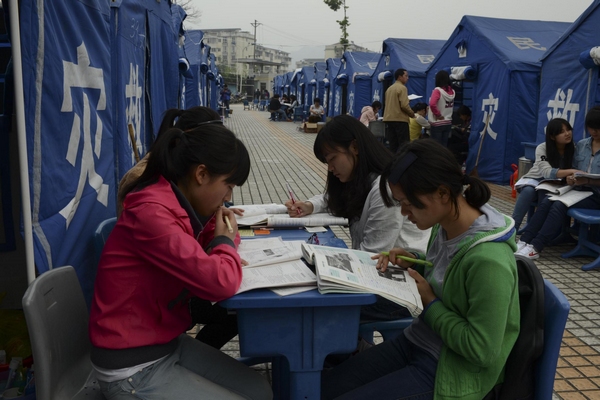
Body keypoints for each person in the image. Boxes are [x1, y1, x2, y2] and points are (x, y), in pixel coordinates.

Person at [321, 139, 520, 400]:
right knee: (322, 389)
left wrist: (430, 302)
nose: (404, 213)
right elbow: (449, 273)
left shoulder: (489, 261)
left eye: (409, 203)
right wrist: (415, 260)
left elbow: (482, 351)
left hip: (450, 369)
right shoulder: (445, 223)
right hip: (417, 340)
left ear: (443, 193)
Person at [90, 122, 272, 399]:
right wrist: (224, 243)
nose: (228, 197)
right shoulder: (153, 214)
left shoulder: (174, 204)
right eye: (228, 185)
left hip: (165, 343)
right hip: (131, 367)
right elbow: (219, 283)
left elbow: (216, 237)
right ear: (201, 174)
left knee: (260, 391)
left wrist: (222, 236)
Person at [285, 115, 430, 322]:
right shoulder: (361, 179)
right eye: (326, 162)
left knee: (317, 305)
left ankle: (350, 350)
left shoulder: (384, 189)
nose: (330, 168)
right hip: (378, 277)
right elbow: (331, 199)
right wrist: (309, 205)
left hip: (401, 288)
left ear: (354, 147)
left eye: (332, 158)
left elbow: (371, 256)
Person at [516, 107, 600, 259]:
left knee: (558, 205)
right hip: (579, 189)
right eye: (591, 128)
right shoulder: (582, 145)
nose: (595, 132)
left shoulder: (575, 145)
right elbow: (573, 169)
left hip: (596, 195)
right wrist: (571, 178)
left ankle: (536, 246)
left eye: (598, 128)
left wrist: (587, 179)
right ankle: (524, 240)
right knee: (548, 200)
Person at [511, 118, 579, 233]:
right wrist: (572, 170)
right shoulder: (542, 148)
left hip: (556, 185)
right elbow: (547, 172)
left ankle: (543, 232)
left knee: (547, 195)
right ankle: (513, 229)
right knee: (529, 191)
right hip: (534, 180)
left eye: (568, 129)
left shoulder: (574, 148)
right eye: (562, 132)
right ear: (552, 137)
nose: (567, 134)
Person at [383, 68, 415, 153]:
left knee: (393, 145)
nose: (407, 78)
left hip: (389, 119)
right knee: (403, 145)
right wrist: (412, 114)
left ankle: (393, 162)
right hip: (400, 119)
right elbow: (404, 105)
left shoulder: (389, 89)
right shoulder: (402, 88)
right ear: (400, 77)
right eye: (406, 76)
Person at [428, 70, 455, 147]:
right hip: (448, 122)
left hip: (437, 122)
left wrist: (438, 114)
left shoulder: (438, 90)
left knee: (436, 147)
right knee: (444, 146)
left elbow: (432, 104)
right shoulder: (452, 91)